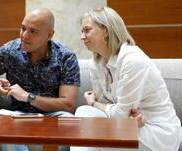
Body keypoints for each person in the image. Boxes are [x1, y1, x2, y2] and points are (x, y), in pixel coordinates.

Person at [73, 6, 181, 151]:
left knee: (92, 129)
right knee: (84, 113)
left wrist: (94, 104)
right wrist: (118, 115)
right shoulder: (96, 63)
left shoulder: (132, 59)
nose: (82, 36)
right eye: (82, 31)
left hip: (156, 132)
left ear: (106, 30)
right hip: (129, 126)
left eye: (87, 30)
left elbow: (119, 114)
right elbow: (109, 107)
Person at [0, 8, 80, 151]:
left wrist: (27, 97)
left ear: (50, 35)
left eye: (33, 31)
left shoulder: (66, 57)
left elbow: (68, 105)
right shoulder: (10, 50)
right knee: (3, 124)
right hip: (18, 116)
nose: (24, 36)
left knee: (69, 120)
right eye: (23, 28)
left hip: (52, 116)